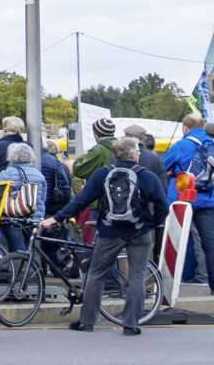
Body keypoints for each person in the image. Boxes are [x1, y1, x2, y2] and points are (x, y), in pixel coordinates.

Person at [50, 134, 166, 335]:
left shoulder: (102, 174)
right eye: (137, 151)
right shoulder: (147, 176)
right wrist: (149, 224)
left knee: (96, 274)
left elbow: (81, 200)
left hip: (110, 230)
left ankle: (87, 322)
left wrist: (58, 217)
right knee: (137, 276)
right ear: (133, 154)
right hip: (140, 231)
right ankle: (130, 325)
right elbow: (163, 207)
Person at [161, 114, 214, 294]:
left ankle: (170, 287)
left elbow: (162, 167)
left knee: (175, 240)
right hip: (208, 198)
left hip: (182, 198)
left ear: (185, 127)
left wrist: (173, 172)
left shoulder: (181, 146)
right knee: (211, 241)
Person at [0, 142, 48, 254]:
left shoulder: (7, 174)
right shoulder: (39, 175)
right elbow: (43, 198)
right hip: (33, 216)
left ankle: (19, 268)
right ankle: (30, 268)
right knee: (29, 247)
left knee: (17, 248)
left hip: (12, 216)